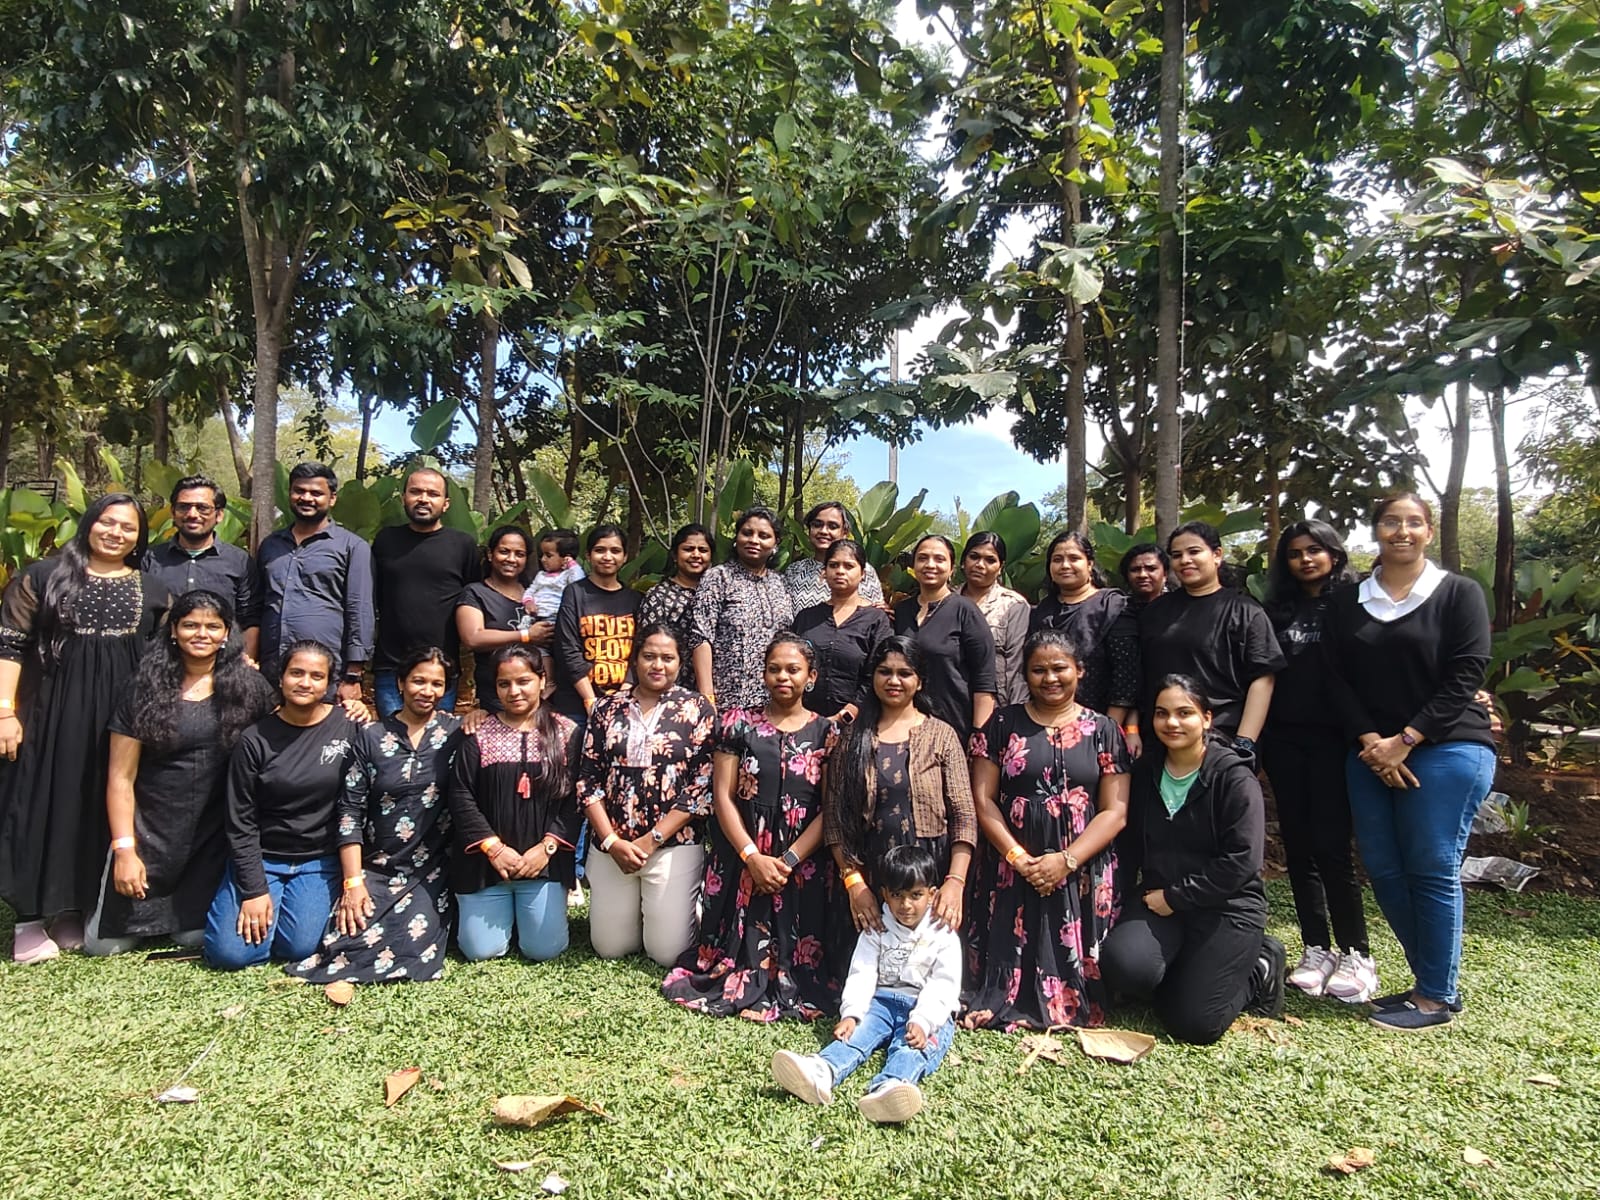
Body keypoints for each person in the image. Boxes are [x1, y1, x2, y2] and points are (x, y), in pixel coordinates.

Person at [1321, 493, 1495, 1033]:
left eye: (1414, 522)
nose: (1402, 531)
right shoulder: (1348, 601)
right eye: (1391, 522)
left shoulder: (1457, 594)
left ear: (1429, 532)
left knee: (1431, 866)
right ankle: (1431, 982)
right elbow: (1334, 678)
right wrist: (1375, 741)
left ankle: (1435, 997)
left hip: (1447, 747)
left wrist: (1408, 738)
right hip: (1369, 751)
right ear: (1376, 530)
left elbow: (1467, 674)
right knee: (1385, 870)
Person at [0, 492, 169, 963]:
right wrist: (4, 711)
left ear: (140, 537)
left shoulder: (153, 590)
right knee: (38, 805)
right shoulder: (42, 578)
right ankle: (29, 919)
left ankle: (71, 908)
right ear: (90, 523)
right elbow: (9, 646)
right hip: (47, 716)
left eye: (128, 527)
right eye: (107, 522)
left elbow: (166, 658)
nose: (116, 533)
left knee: (92, 809)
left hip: (118, 721)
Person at [87, 590, 279, 955]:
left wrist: (350, 711)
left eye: (213, 626)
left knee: (193, 937)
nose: (201, 634)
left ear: (227, 633)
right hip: (150, 836)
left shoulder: (250, 687)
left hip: (211, 840)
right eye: (191, 625)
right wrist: (125, 851)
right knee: (105, 946)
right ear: (173, 630)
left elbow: (291, 727)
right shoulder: (142, 687)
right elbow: (120, 778)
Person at [663, 634, 842, 1020]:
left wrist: (787, 860)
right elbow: (723, 796)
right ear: (763, 674)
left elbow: (830, 809)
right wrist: (752, 857)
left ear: (810, 677)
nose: (783, 677)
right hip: (742, 851)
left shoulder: (826, 732)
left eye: (793, 670)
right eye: (774, 669)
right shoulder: (737, 724)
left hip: (801, 859)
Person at [1099, 676, 1286, 1045]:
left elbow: (1243, 861)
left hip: (1226, 906)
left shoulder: (1233, 778)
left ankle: (1260, 964)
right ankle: (1189, 970)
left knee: (1194, 1024)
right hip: (1159, 901)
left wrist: (1176, 897)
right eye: (1162, 714)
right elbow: (1130, 846)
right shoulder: (1146, 772)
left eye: (1184, 713)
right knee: (1125, 970)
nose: (1172, 722)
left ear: (1206, 719)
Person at [964, 631, 1130, 1031]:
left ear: (1079, 670)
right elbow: (983, 800)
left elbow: (1115, 811)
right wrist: (1019, 858)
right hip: (1013, 861)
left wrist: (1067, 860)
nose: (1050, 678)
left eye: (1060, 668)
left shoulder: (1104, 729)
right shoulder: (1002, 724)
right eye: (1038, 670)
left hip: (1081, 863)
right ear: (1025, 674)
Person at [289, 647, 462, 986]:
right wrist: (353, 882)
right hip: (377, 864)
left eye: (437, 684)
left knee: (416, 947)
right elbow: (350, 811)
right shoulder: (371, 736)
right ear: (400, 683)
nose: (427, 691)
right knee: (347, 936)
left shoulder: (456, 734)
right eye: (419, 681)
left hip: (430, 868)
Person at [1261, 520, 1376, 1003]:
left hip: (1336, 741)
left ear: (1334, 553)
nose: (1305, 559)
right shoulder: (1276, 611)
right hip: (1284, 740)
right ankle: (1316, 949)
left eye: (1314, 550)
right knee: (1299, 847)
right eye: (1295, 553)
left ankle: (1356, 953)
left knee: (1332, 847)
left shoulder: (1354, 604)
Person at [769, 843, 961, 1125]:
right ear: (884, 894)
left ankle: (891, 1087)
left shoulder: (943, 934)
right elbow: (863, 972)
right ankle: (821, 1071)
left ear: (932, 895)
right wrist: (852, 1014)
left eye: (916, 895)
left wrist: (923, 1021)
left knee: (911, 1046)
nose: (906, 905)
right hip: (881, 1002)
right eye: (897, 896)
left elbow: (943, 985)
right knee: (855, 1035)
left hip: (926, 1008)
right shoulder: (877, 928)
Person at [203, 641, 363, 969]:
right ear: (281, 678)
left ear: (329, 684)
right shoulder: (254, 739)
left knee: (300, 947)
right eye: (296, 673)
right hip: (265, 858)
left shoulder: (349, 725)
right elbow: (241, 820)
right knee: (229, 954)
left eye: (316, 676)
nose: (305, 682)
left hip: (318, 859)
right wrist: (254, 890)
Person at [577, 624, 716, 966]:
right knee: (610, 947)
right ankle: (641, 911)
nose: (658, 665)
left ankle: (680, 908)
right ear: (635, 659)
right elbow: (587, 781)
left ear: (680, 663)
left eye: (668, 658)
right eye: (649, 656)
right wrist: (611, 841)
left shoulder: (697, 708)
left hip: (673, 844)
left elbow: (701, 785)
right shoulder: (607, 708)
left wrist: (652, 839)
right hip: (613, 846)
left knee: (668, 953)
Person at [823, 636, 976, 940]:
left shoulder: (941, 735)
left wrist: (955, 882)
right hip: (869, 875)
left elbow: (964, 817)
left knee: (928, 960)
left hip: (930, 873)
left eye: (904, 673)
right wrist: (854, 883)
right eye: (885, 672)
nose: (894, 681)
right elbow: (834, 820)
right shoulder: (852, 738)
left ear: (920, 682)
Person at [447, 646, 582, 962]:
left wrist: (547, 848)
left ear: (542, 680)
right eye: (504, 684)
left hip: (543, 864)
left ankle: (532, 913)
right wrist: (493, 848)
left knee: (543, 950)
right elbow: (461, 794)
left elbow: (576, 798)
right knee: (481, 951)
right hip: (486, 865)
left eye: (523, 681)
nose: (514, 691)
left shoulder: (567, 732)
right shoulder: (477, 732)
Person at [1137, 521, 1284, 755]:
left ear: (1217, 555)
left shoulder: (1245, 611)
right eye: (1177, 555)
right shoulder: (1154, 612)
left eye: (1194, 552)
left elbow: (1263, 679)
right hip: (1160, 738)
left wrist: (1244, 742)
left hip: (1221, 740)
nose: (1185, 560)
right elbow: (1139, 675)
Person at [257, 462, 373, 700]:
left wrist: (353, 675)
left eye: (316, 493)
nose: (306, 498)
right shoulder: (270, 545)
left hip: (325, 673)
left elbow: (359, 609)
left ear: (332, 499)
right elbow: (258, 603)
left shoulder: (352, 547)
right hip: (271, 670)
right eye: (299, 491)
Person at [370, 467, 480, 718]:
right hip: (391, 666)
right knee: (390, 739)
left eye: (432, 494)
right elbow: (372, 596)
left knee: (436, 740)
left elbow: (473, 601)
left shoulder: (462, 545)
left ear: (446, 503)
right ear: (404, 498)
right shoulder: (386, 540)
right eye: (416, 492)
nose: (423, 499)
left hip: (441, 668)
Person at [141, 475, 261, 660]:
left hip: (222, 665)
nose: (192, 514)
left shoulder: (239, 562)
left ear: (219, 515)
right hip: (161, 663)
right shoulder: (150, 560)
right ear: (173, 512)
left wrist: (244, 665)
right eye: (184, 507)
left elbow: (250, 620)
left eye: (202, 508)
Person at [891, 534, 996, 741]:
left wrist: (979, 738)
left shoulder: (965, 611)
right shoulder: (901, 611)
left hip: (954, 727)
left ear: (952, 569)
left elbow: (984, 680)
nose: (930, 565)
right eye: (922, 558)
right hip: (904, 728)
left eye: (939, 559)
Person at [1030, 532, 1139, 728]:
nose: (1065, 565)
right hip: (1045, 721)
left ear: (1089, 564)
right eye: (1057, 560)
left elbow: (1126, 673)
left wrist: (1109, 729)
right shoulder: (1042, 611)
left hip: (1101, 721)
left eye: (1074, 558)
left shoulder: (1112, 606)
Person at [691, 507, 794, 710]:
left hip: (773, 703)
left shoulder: (781, 583)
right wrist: (707, 698)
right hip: (726, 702)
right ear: (736, 538)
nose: (754, 540)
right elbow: (701, 637)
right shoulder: (718, 577)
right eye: (747, 533)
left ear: (775, 544)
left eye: (763, 536)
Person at [791, 538, 891, 723]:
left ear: (863, 574)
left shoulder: (876, 620)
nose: (840, 571)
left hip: (856, 722)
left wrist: (849, 712)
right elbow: (791, 666)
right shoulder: (806, 618)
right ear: (824, 572)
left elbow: (880, 672)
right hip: (804, 723)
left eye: (849, 566)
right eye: (833, 565)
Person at [552, 524, 640, 721]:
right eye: (600, 550)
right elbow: (568, 650)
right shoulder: (574, 593)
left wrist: (623, 696)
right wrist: (591, 702)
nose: (607, 556)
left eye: (615, 551)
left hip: (624, 703)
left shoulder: (635, 600)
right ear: (588, 555)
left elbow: (639, 651)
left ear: (625, 557)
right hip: (577, 705)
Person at [456, 526, 549, 712]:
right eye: (504, 551)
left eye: (519, 554)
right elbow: (473, 638)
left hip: (540, 693)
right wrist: (526, 636)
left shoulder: (536, 591)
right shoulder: (475, 592)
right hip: (497, 694)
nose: (511, 559)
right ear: (490, 555)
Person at [958, 531, 1030, 706]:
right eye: (974, 557)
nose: (980, 565)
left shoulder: (1013, 605)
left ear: (1000, 567)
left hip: (997, 705)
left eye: (990, 560)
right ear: (963, 561)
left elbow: (1016, 666)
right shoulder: (946, 601)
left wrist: (1016, 713)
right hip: (952, 704)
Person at [638, 523, 713, 687]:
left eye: (703, 550)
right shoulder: (658, 596)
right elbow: (648, 648)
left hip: (717, 689)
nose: (696, 555)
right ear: (674, 555)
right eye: (688, 549)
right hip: (671, 688)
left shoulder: (718, 595)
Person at [783, 500, 885, 610]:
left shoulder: (862, 570)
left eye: (832, 526)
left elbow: (877, 611)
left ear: (845, 532)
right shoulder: (795, 570)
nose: (823, 531)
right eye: (817, 525)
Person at [523, 528, 585, 686]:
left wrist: (572, 565)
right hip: (538, 619)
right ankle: (549, 682)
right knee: (541, 652)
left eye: (548, 555)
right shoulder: (541, 576)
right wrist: (528, 602)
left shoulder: (568, 575)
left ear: (565, 557)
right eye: (542, 555)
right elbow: (530, 590)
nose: (543, 559)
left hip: (558, 618)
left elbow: (579, 583)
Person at [1119, 543, 1170, 613]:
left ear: (1165, 574)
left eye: (1151, 569)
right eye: (1135, 570)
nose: (1142, 575)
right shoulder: (1116, 611)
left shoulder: (1178, 609)